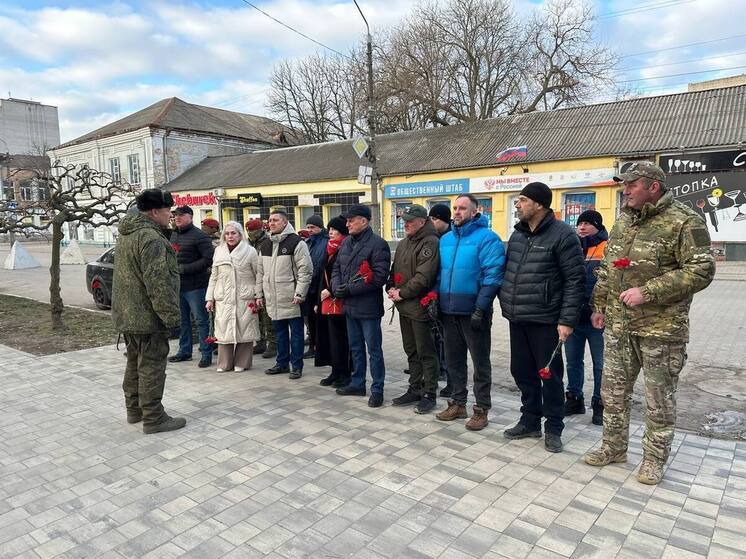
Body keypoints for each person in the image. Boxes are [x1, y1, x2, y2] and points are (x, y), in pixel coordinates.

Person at [584, 162, 715, 484]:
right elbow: (610, 268)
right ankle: (613, 447)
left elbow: (701, 270)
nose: (625, 191)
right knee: (612, 394)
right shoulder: (624, 221)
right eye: (623, 186)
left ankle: (654, 459)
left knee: (658, 399)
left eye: (631, 185)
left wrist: (648, 292)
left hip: (661, 329)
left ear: (653, 187)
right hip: (619, 326)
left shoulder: (684, 221)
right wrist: (599, 304)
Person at [499, 182, 585, 453]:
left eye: (522, 200)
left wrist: (567, 320)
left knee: (549, 375)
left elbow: (575, 281)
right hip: (518, 317)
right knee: (521, 372)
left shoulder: (563, 235)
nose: (517, 204)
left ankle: (554, 428)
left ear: (538, 204)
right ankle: (530, 420)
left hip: (547, 320)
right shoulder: (518, 235)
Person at [112, 189, 185, 434]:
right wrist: (172, 318)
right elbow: (158, 283)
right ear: (155, 212)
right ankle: (154, 418)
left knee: (134, 363)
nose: (171, 216)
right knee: (151, 366)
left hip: (128, 314)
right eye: (168, 211)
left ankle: (134, 410)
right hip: (148, 317)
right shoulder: (151, 238)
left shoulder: (128, 233)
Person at [435, 194, 505, 430]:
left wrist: (481, 307)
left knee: (480, 362)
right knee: (454, 360)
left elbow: (493, 276)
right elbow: (439, 273)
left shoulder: (488, 239)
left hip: (475, 311)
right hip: (448, 309)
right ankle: (458, 402)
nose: (457, 212)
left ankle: (481, 409)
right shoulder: (445, 240)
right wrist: (435, 299)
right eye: (455, 208)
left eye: (463, 208)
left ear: (476, 211)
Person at [331, 204, 391, 408]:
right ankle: (357, 383)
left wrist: (350, 290)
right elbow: (337, 268)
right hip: (349, 306)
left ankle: (377, 389)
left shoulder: (378, 244)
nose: (347, 224)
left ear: (364, 221)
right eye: (347, 221)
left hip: (367, 307)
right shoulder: (347, 242)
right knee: (355, 348)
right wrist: (336, 287)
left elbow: (379, 277)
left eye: (351, 220)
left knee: (373, 350)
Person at [387, 205, 441, 414]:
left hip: (419, 307)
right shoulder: (404, 243)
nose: (405, 223)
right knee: (411, 350)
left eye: (410, 220)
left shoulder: (430, 242)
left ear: (422, 221)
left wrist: (402, 293)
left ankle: (429, 393)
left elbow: (424, 277)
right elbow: (395, 271)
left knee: (425, 351)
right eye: (404, 220)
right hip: (404, 307)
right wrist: (391, 287)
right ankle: (415, 387)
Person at [255, 209, 313, 379]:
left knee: (296, 334)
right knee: (279, 333)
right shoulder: (265, 244)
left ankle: (296, 366)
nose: (271, 223)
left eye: (276, 220)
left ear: (285, 222)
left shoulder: (297, 243)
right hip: (273, 297)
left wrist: (300, 293)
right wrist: (259, 294)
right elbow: (260, 273)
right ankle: (281, 363)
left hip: (292, 298)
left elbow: (305, 271)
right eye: (270, 220)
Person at [564, 210, 608, 425]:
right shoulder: (573, 247)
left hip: (597, 319)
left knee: (600, 364)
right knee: (573, 361)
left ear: (597, 226)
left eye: (586, 224)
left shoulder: (607, 248)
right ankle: (574, 398)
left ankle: (600, 404)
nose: (581, 227)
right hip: (573, 317)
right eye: (579, 223)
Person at [205, 221, 261, 372]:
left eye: (233, 233)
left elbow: (258, 275)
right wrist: (209, 298)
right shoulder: (219, 251)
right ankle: (224, 363)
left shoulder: (250, 251)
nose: (230, 236)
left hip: (245, 295)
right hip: (223, 295)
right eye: (227, 233)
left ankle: (242, 362)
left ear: (240, 234)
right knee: (223, 328)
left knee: (245, 327)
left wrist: (258, 295)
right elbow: (214, 276)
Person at [168, 206, 215, 368]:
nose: (177, 218)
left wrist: (185, 269)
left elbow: (208, 259)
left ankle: (206, 353)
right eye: (175, 215)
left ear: (190, 216)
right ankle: (184, 351)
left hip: (196, 286)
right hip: (178, 286)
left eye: (181, 215)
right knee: (183, 321)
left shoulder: (200, 236)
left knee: (201, 321)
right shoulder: (173, 234)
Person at [314, 216, 352, 388]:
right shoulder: (329, 248)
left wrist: (331, 290)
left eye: (334, 229)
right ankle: (335, 370)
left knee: (342, 338)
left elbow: (346, 274)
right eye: (329, 229)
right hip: (326, 300)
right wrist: (318, 300)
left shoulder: (346, 246)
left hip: (341, 298)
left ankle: (345, 372)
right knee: (331, 338)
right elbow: (322, 274)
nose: (330, 232)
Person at [428, 203, 452, 397]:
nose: (432, 222)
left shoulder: (449, 239)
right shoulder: (434, 238)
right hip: (434, 294)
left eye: (435, 219)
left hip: (448, 295)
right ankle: (437, 367)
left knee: (445, 337)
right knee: (435, 334)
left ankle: (445, 369)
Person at [245, 218, 276, 359]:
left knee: (267, 315)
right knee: (257, 314)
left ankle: (273, 343)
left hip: (265, 281)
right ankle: (261, 341)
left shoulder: (267, 242)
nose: (250, 233)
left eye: (253, 231)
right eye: (248, 231)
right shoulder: (247, 243)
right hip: (253, 281)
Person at [303, 214, 329, 360]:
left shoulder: (326, 242)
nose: (310, 230)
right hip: (309, 287)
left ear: (320, 227)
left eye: (312, 227)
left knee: (320, 320)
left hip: (320, 286)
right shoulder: (307, 242)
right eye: (308, 227)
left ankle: (320, 346)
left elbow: (322, 265)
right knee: (311, 320)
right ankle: (312, 345)